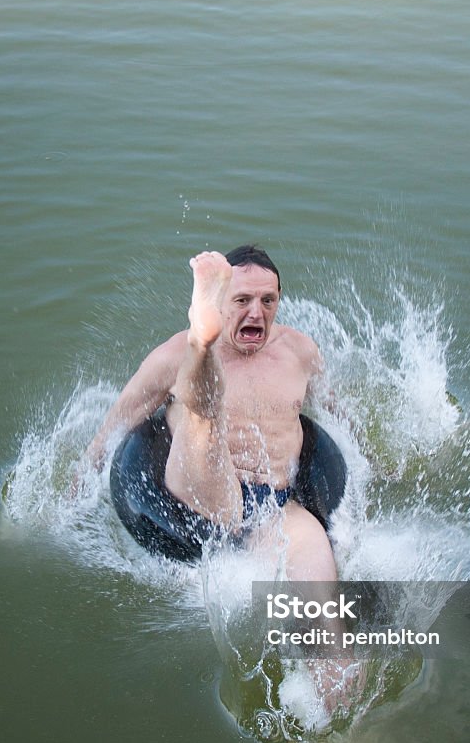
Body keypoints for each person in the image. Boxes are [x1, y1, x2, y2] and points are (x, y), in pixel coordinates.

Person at [83, 245, 339, 581]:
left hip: (275, 505)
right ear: (220, 301)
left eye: (267, 301)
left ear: (279, 298)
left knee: (321, 597)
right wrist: (73, 495)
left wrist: (376, 461)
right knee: (203, 418)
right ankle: (202, 342)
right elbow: (113, 428)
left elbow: (337, 414)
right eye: (242, 300)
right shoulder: (171, 356)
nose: (256, 313)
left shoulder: (300, 352)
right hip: (203, 489)